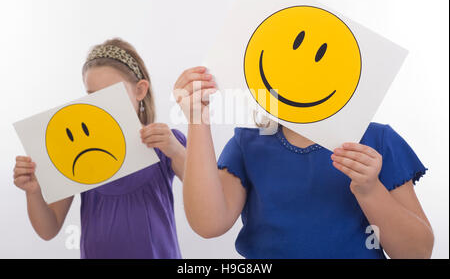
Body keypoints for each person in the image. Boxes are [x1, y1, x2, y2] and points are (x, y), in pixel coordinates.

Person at [174, 66, 434, 259]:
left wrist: (370, 189)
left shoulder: (376, 141)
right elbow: (208, 224)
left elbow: (417, 252)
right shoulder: (248, 144)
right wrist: (198, 121)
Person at [13, 38, 186, 258]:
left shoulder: (166, 144)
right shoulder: (77, 153)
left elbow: (207, 202)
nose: (102, 104)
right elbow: (49, 229)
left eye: (112, 93)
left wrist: (177, 151)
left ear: (140, 90)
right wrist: (34, 192)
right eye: (93, 96)